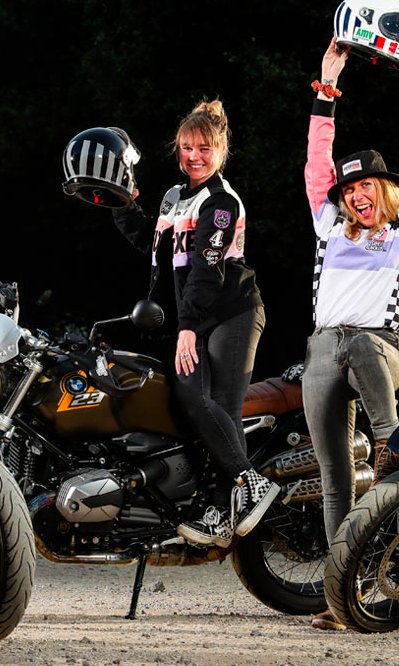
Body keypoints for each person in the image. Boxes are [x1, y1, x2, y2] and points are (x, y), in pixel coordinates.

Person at [303, 37, 399, 630]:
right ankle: (344, 597)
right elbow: (315, 162)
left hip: (382, 348)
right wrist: (327, 87)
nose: (355, 195)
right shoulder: (330, 225)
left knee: (361, 343)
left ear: (383, 191)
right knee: (333, 477)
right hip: (322, 350)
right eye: (348, 188)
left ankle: (391, 444)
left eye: (365, 187)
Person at [111, 100, 281, 548]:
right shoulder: (173, 196)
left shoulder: (221, 202)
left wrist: (187, 326)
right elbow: (151, 243)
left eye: (204, 148)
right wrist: (118, 202)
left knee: (212, 402)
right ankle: (221, 509)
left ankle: (249, 485)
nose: (194, 156)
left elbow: (207, 269)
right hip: (195, 316)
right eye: (187, 147)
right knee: (195, 404)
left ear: (221, 150)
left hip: (231, 312)